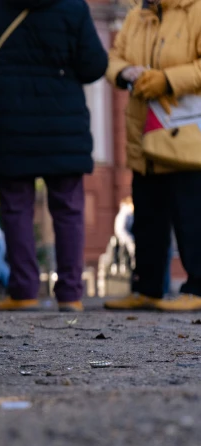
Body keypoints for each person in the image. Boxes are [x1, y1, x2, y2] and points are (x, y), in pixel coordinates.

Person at [0, 0, 108, 312]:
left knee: (16, 207)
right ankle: (71, 294)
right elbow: (94, 65)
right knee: (69, 208)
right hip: (62, 124)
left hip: (8, 120)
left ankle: (24, 290)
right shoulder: (73, 7)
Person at [104, 0, 201, 312]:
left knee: (192, 216)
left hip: (186, 135)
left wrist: (167, 79)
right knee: (147, 215)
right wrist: (124, 72)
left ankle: (197, 288)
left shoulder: (196, 10)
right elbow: (113, 59)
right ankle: (148, 288)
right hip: (144, 136)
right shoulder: (135, 16)